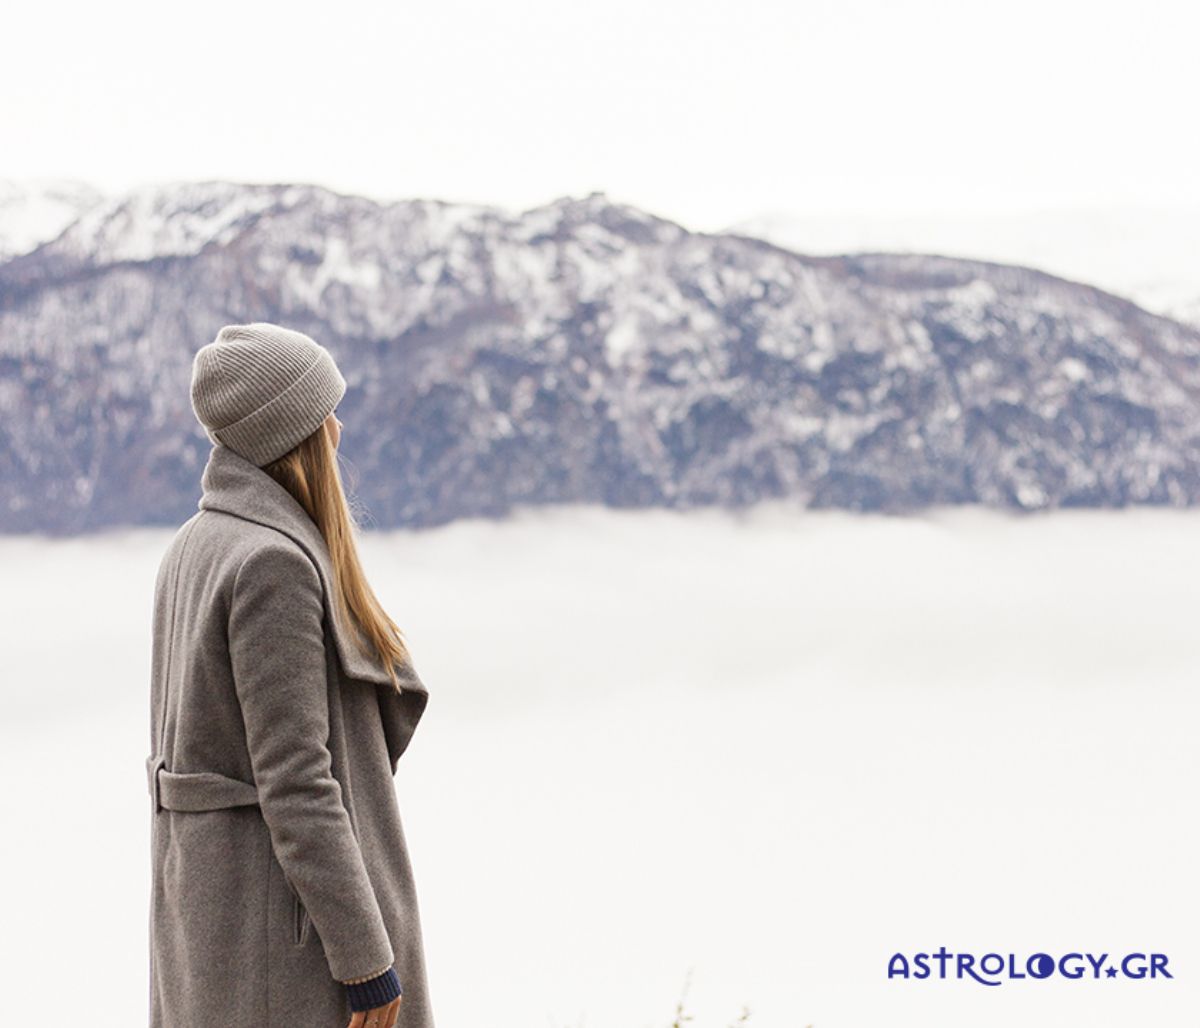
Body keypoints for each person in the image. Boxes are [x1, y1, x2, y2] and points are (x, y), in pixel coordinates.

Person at [146, 323, 434, 1027]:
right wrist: (366, 960)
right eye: (323, 411)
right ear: (293, 434)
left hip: (214, 924)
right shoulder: (272, 566)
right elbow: (298, 782)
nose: (338, 426)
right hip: (283, 938)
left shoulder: (195, 543)